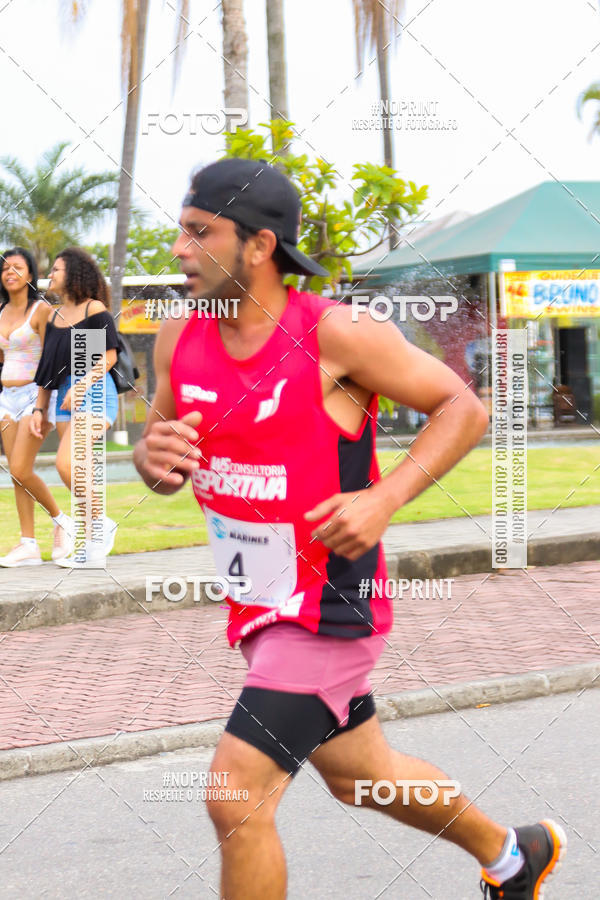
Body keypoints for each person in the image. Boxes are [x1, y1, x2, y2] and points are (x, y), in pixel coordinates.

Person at [133, 158, 566, 900]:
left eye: (199, 233)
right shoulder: (180, 335)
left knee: (235, 793)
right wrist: (153, 457)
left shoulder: (337, 333)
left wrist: (384, 498)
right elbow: (161, 446)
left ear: (260, 247)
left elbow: (463, 408)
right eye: (180, 230)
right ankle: (512, 856)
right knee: (362, 777)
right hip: (259, 605)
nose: (179, 249)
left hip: (330, 605)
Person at [32, 247, 119, 566]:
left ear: (74, 273)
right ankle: (92, 547)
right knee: (79, 471)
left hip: (94, 391)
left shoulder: (93, 309)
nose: (50, 274)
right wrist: (40, 410)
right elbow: (46, 370)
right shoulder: (53, 316)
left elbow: (108, 356)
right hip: (65, 396)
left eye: (56, 269)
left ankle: (103, 525)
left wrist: (82, 386)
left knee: (66, 464)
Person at [0, 246, 72, 567]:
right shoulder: (0, 312)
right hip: (6, 398)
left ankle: (62, 521)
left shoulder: (41, 310)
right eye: (4, 268)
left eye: (17, 267)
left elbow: (52, 357)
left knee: (19, 467)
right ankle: (28, 543)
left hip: (36, 396)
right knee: (17, 475)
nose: (9, 272)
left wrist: (43, 404)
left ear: (30, 273)